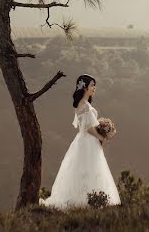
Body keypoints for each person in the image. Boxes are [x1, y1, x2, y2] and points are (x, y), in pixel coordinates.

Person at [41, 74, 121, 209]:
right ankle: (87, 201)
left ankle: (89, 199)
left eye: (94, 85)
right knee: (89, 169)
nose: (94, 88)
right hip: (87, 141)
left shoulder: (84, 104)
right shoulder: (84, 105)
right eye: (92, 85)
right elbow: (88, 128)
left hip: (85, 141)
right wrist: (101, 136)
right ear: (84, 87)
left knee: (88, 170)